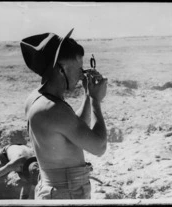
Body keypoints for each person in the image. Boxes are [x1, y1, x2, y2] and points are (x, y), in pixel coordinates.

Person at [20, 29, 108, 199]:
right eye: (79, 68)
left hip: (52, 189)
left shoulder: (37, 99)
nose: (82, 74)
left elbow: (74, 130)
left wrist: (88, 95)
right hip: (66, 192)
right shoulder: (55, 109)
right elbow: (99, 147)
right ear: (61, 70)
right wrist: (96, 101)